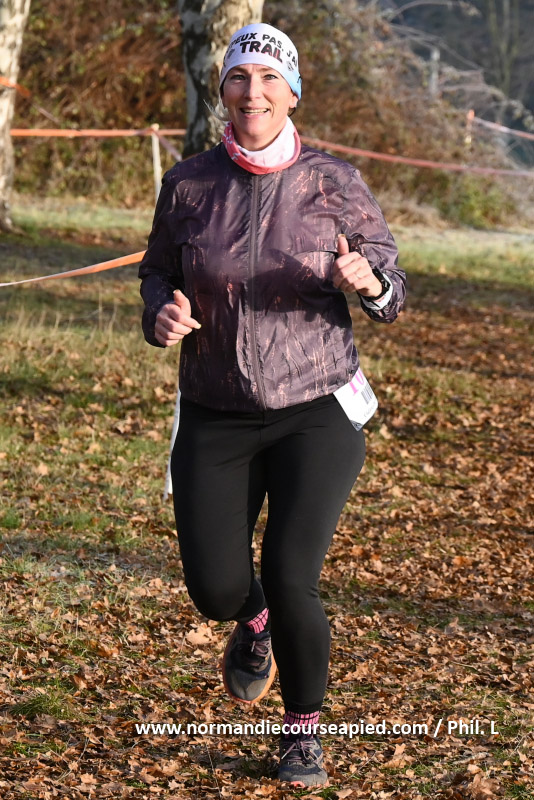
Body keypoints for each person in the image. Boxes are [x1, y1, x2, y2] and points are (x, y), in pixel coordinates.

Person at [138, 21, 406, 788]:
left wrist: (369, 283)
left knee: (292, 575)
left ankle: (302, 735)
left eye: (268, 80)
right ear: (222, 89)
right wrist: (160, 313)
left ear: (292, 94)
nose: (252, 93)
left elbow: (392, 289)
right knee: (215, 589)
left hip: (313, 407)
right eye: (238, 77)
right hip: (215, 408)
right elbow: (156, 273)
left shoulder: (335, 183)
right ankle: (249, 621)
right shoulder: (189, 184)